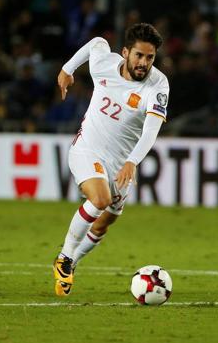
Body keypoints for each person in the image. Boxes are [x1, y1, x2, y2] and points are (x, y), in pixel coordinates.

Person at [52, 23, 169, 296]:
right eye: (139, 56)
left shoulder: (158, 85)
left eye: (150, 57)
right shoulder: (105, 64)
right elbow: (96, 43)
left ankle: (72, 264)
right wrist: (67, 70)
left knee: (106, 220)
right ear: (126, 52)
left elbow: (151, 130)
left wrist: (132, 161)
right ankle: (64, 258)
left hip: (121, 163)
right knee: (100, 199)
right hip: (87, 150)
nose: (144, 63)